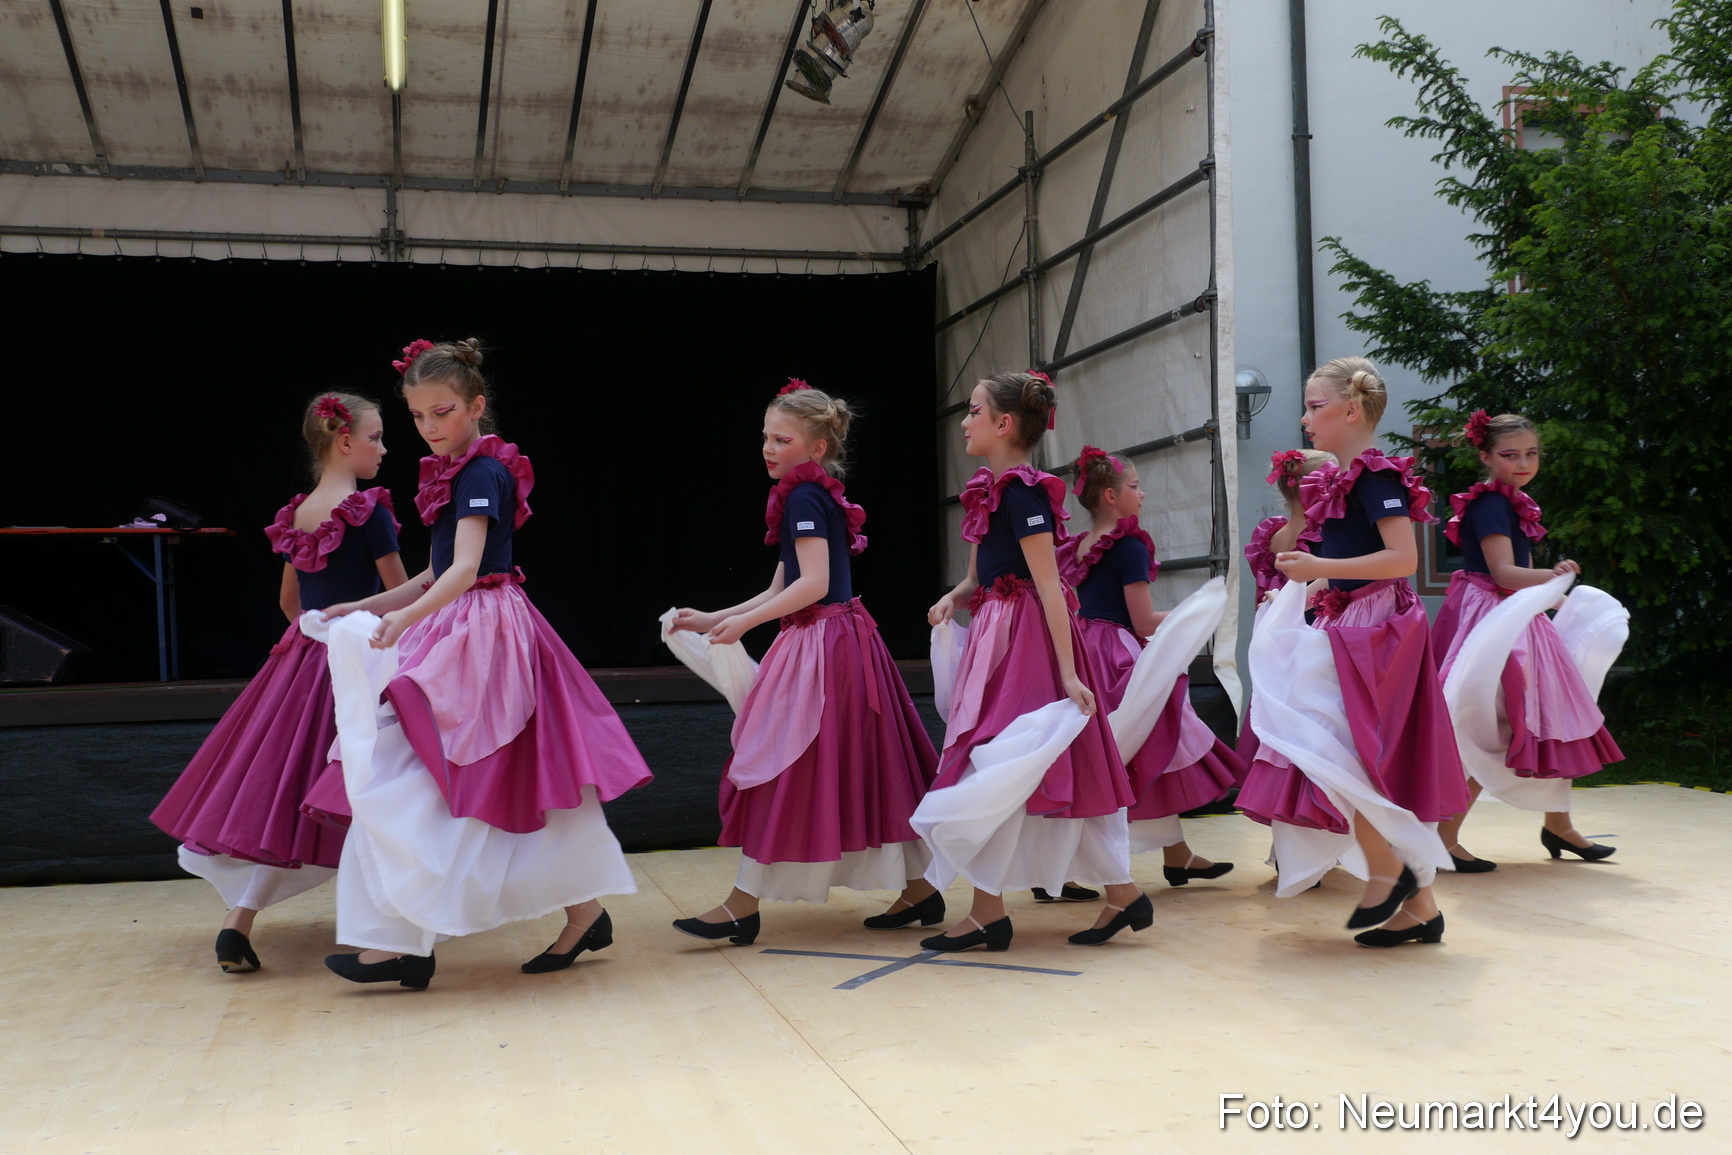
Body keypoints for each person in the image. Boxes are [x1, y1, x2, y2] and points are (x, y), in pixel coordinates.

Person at [310, 338, 651, 989]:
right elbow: (437, 570)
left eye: (441, 412)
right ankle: (565, 915)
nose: (428, 426)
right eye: (417, 416)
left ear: (475, 405)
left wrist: (403, 619)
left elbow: (464, 570)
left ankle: (408, 940)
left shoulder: (481, 473)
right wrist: (366, 605)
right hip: (460, 625)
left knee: (429, 773)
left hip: (484, 633)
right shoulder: (458, 470)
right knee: (469, 776)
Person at [666, 381, 939, 944]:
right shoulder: (808, 493)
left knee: (783, 766)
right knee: (850, 765)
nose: (768, 448)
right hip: (833, 641)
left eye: (781, 439)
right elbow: (783, 586)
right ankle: (919, 887)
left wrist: (744, 625)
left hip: (825, 646)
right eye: (765, 437)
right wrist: (717, 615)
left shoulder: (806, 498)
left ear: (816, 447)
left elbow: (812, 584)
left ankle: (743, 903)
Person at [151, 392, 406, 973]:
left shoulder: (299, 513)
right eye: (375, 437)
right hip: (355, 663)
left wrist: (314, 639)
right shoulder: (369, 512)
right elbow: (400, 595)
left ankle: (237, 922)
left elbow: (291, 603)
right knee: (378, 783)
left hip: (301, 661)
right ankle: (392, 921)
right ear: (345, 441)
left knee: (284, 791)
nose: (383, 449)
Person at [917, 371, 1149, 951]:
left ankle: (990, 913)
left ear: (1003, 424)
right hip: (998, 636)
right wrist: (952, 599)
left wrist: (1068, 673)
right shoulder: (989, 490)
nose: (964, 421)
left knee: (1002, 763)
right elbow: (980, 578)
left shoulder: (1023, 494)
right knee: (1026, 766)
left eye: (973, 411)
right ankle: (1119, 894)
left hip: (1027, 644)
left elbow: (1050, 588)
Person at [1248, 357, 1468, 948]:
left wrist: (1319, 567)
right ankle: (1419, 906)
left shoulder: (1375, 478)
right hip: (1350, 621)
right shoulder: (1344, 479)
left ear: (1351, 410)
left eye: (1315, 406)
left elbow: (1403, 560)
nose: (1305, 419)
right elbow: (1354, 564)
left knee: (1339, 751)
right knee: (1341, 753)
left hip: (1376, 631)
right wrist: (1308, 585)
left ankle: (1392, 871)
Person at [1433, 410, 1623, 867]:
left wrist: (1557, 598)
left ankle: (1559, 827)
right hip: (1495, 621)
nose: (1523, 463)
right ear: (1486, 456)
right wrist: (1554, 578)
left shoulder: (1511, 501)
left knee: (1544, 719)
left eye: (1531, 453)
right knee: (1490, 726)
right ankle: (1444, 838)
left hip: (1514, 616)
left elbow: (1515, 576)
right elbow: (1504, 573)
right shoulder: (1492, 504)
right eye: (1510, 455)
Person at [1059, 445, 1241, 887]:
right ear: (1110, 495)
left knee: (1117, 753)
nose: (1142, 495)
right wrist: (1195, 613)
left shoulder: (1079, 546)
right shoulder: (1129, 546)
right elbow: (1142, 622)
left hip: (1086, 649)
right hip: (1116, 655)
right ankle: (1068, 867)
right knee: (1147, 745)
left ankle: (1177, 855)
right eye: (1135, 486)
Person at [1236, 448, 1333, 821]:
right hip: (1312, 634)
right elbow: (1330, 582)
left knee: (1279, 720)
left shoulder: (1272, 535)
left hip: (1275, 641)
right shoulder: (1324, 535)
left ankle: (1284, 816)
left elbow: (1261, 595)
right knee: (1311, 725)